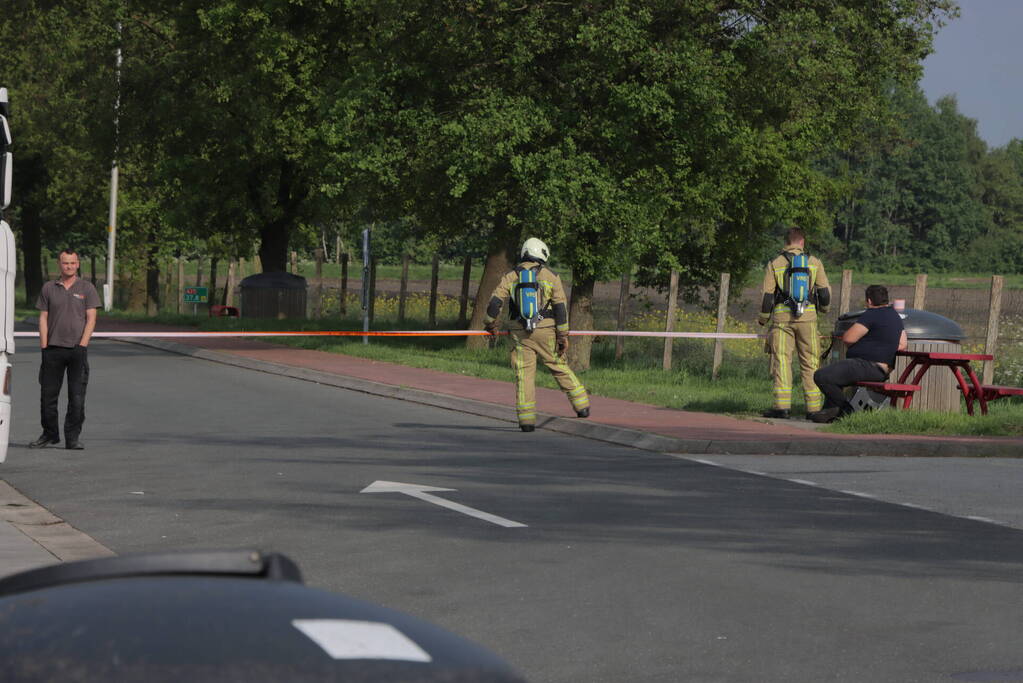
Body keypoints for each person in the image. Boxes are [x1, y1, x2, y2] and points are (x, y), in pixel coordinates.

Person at [483, 237, 590, 432]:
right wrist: (562, 336)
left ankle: (526, 421)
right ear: (542, 254)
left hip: (519, 334)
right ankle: (582, 406)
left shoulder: (510, 276)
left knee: (524, 375)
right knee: (558, 366)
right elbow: (560, 309)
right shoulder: (551, 276)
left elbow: (494, 304)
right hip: (546, 331)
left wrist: (490, 325)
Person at [30, 249, 101, 450]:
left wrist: (82, 346)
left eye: (72, 263)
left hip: (77, 351)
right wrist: (44, 347)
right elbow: (43, 319)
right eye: (65, 263)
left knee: (77, 397)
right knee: (47, 397)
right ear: (59, 264)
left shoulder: (87, 288)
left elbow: (91, 319)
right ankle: (49, 434)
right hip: (52, 350)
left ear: (77, 264)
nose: (68, 266)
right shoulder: (48, 288)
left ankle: (72, 438)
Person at [758, 227, 831, 419]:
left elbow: (767, 296)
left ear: (786, 241)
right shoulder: (814, 262)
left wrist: (763, 319)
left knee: (782, 361)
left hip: (782, 321)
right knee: (811, 362)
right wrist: (823, 310)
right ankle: (813, 409)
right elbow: (824, 293)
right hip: (808, 319)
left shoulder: (775, 263)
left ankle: (781, 407)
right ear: (802, 242)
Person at [810, 284, 908, 423]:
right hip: (882, 370)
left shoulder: (871, 314)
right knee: (835, 378)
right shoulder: (895, 316)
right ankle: (830, 412)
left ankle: (846, 409)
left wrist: (865, 346)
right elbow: (903, 344)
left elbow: (848, 338)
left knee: (821, 376)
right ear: (886, 300)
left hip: (865, 365)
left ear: (869, 301)